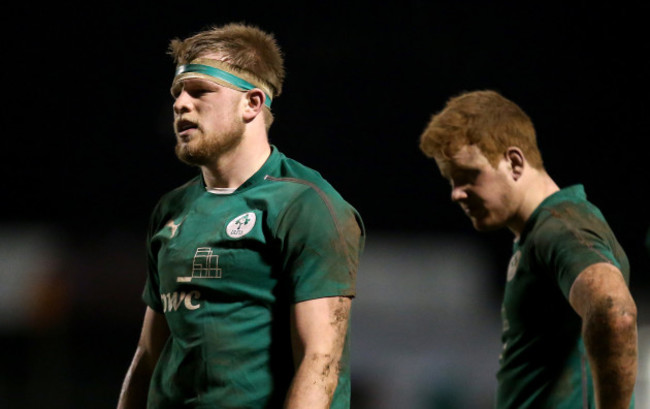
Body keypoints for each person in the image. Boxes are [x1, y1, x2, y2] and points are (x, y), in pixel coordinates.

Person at [117, 23, 365, 409]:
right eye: (177, 93)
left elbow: (320, 362)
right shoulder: (171, 209)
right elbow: (148, 356)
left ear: (252, 103)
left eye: (200, 91)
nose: (181, 103)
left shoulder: (306, 205)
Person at [419, 90, 637, 408]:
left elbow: (615, 313)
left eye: (468, 176)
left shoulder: (560, 227)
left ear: (514, 162)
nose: (456, 194)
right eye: (451, 181)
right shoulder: (539, 233)